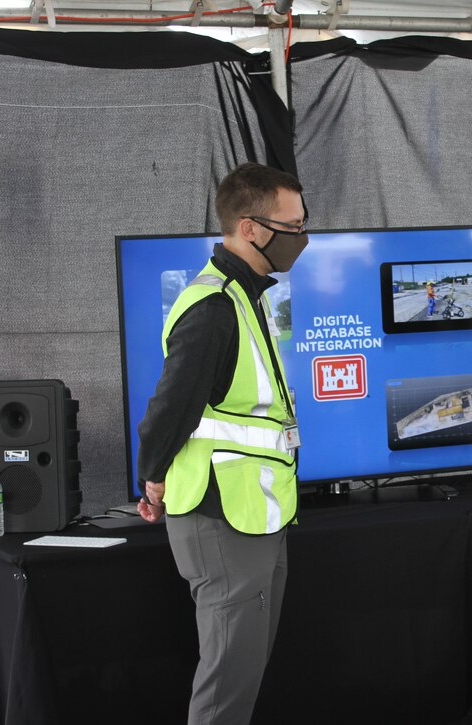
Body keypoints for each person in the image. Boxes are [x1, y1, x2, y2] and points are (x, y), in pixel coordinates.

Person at [136, 161, 307, 725]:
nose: (302, 236)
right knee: (227, 681)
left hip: (252, 511)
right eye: (294, 224)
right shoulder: (214, 307)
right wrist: (153, 476)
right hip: (223, 516)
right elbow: (170, 409)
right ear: (252, 228)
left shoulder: (247, 296)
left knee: (242, 670)